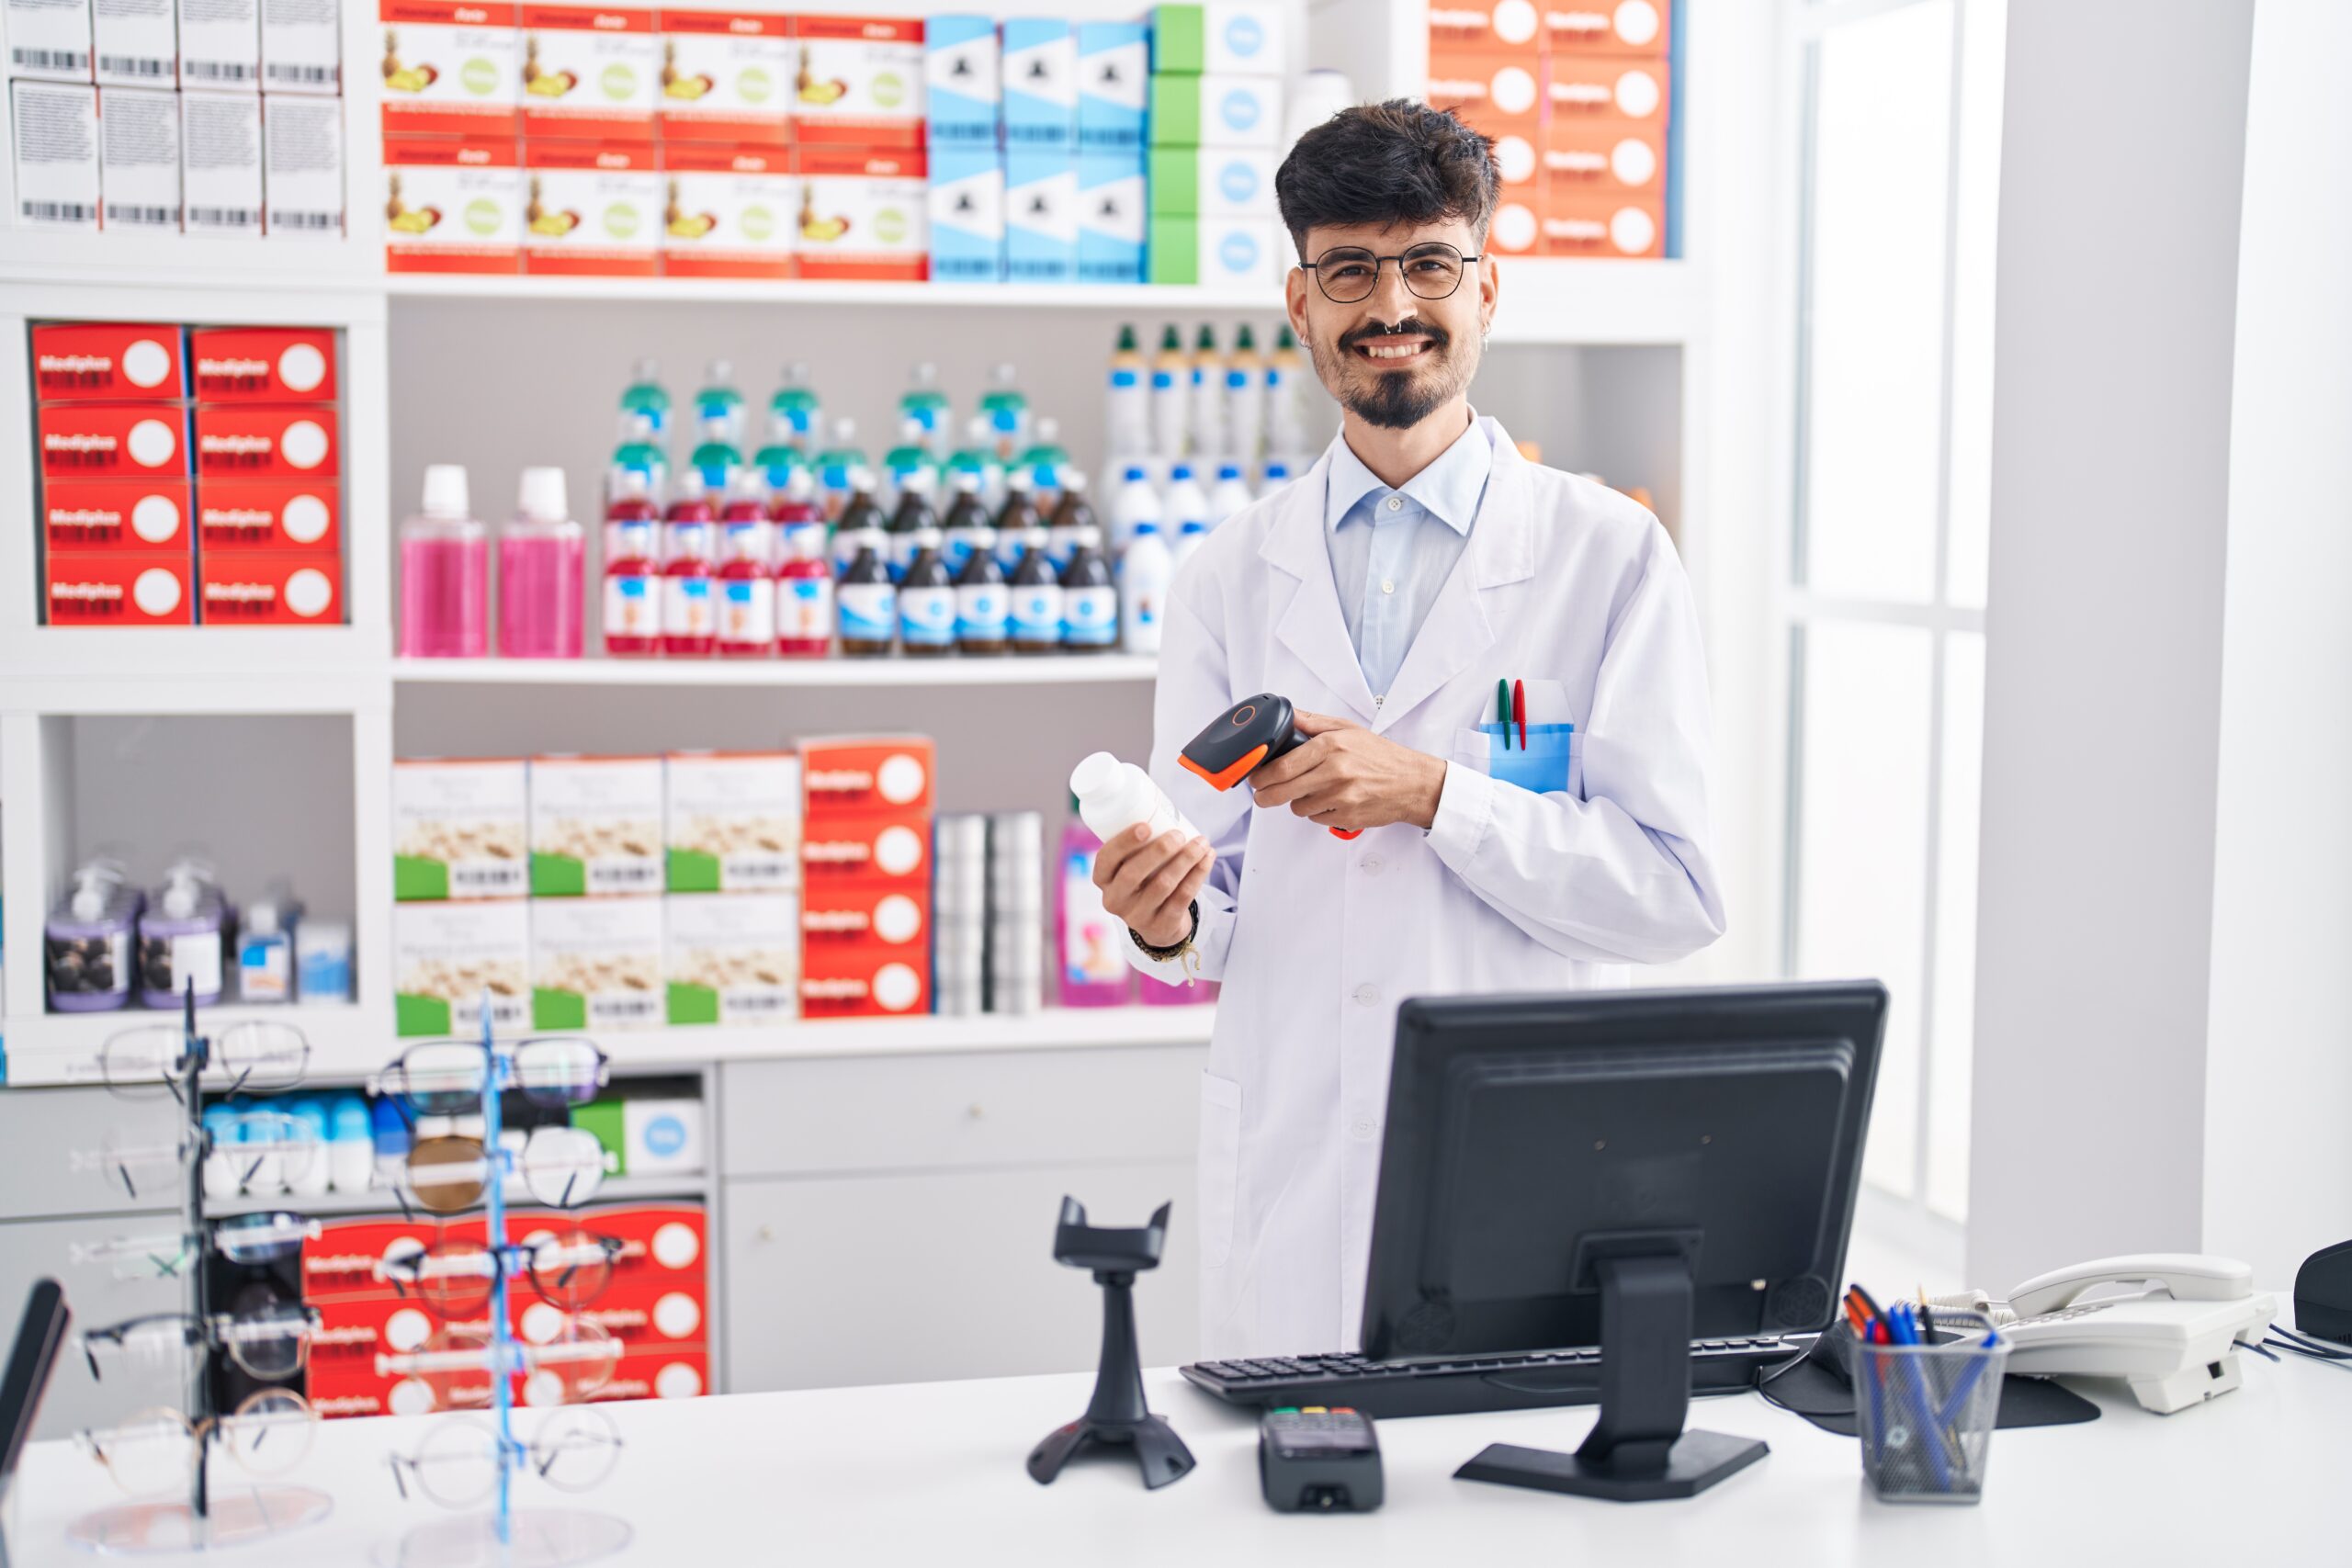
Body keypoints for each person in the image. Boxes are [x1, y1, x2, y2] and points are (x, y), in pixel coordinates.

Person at [1091, 101, 1726, 1359]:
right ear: (1301, 300)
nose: (1392, 305)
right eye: (1351, 270)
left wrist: (1436, 792)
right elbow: (1215, 895)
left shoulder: (1608, 557)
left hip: (1519, 1164)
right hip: (1296, 1155)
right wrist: (1161, 915)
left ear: (1489, 289)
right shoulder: (1226, 575)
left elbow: (1675, 894)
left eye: (1429, 263)